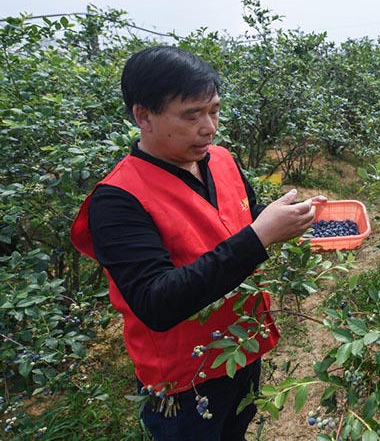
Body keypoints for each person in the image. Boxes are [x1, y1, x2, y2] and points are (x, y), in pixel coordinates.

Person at [70, 45, 325, 440]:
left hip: (242, 349)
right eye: (192, 116)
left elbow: (245, 219)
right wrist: (262, 236)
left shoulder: (221, 159)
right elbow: (156, 302)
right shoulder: (118, 199)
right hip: (184, 380)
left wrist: (287, 220)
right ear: (143, 116)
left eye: (214, 110)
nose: (209, 127)